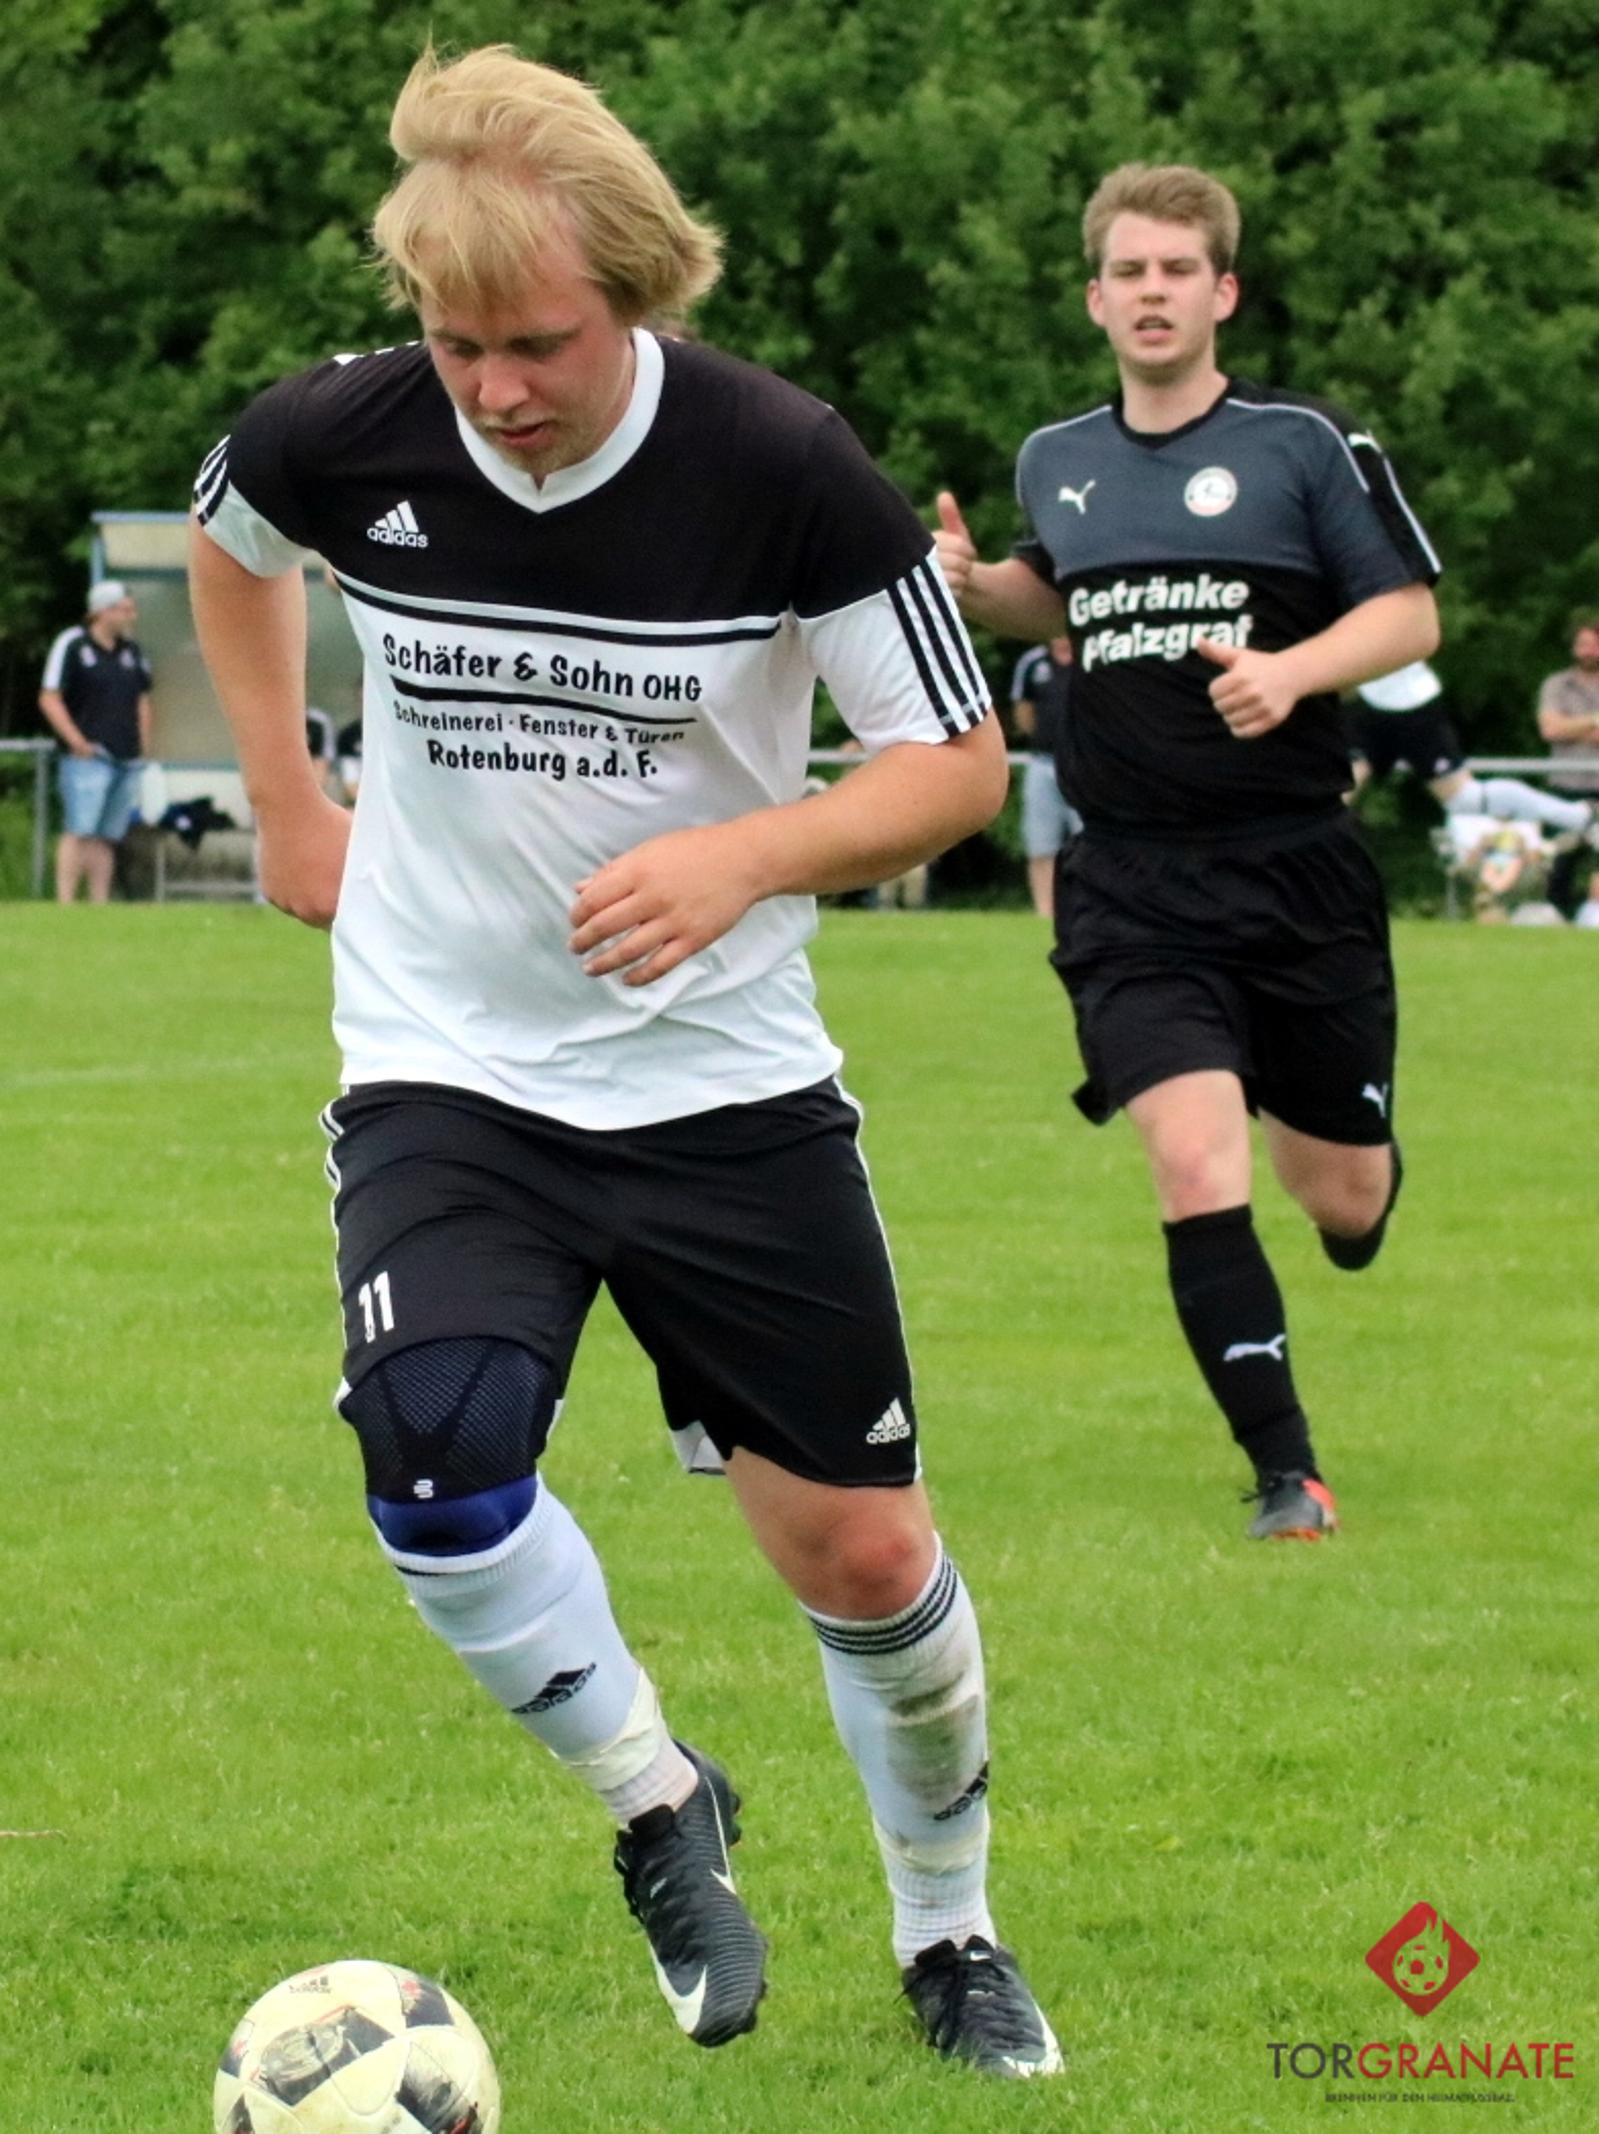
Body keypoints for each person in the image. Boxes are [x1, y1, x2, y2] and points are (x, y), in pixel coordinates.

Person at [188, 44, 1059, 2079]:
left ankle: (948, 1928)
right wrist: (288, 797)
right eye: (458, 344)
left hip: (719, 1085)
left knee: (865, 1554)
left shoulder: (780, 465)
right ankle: (661, 1802)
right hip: (447, 1062)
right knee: (433, 1447)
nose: (494, 389)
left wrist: (746, 851)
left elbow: (953, 760)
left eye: (540, 344)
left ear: (641, 292)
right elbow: (234, 547)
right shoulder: (341, 430)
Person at [936, 162, 1442, 1542]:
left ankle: (1351, 1181)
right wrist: (984, 589)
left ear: (1221, 291)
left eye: (1176, 271)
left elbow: (1406, 615)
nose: (1150, 292)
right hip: (1131, 882)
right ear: (1094, 298)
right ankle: (1287, 1471)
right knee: (1192, 1160)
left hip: (1296, 868)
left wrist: (1291, 672)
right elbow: (1057, 596)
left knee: (1340, 1193)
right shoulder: (1057, 458)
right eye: (1128, 272)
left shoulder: (1301, 444)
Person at [1351, 659, 1597, 843]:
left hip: (1405, 703)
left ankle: (1580, 816)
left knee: (1464, 798)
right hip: (1368, 703)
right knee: (1332, 797)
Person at [37, 580, 152, 903]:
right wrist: (77, 741)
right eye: (125, 610)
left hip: (126, 755)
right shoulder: (73, 644)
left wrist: (144, 745)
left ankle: (98, 905)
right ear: (103, 611)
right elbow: (49, 697)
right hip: (88, 756)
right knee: (80, 829)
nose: (132, 616)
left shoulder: (132, 651)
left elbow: (143, 698)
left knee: (107, 835)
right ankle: (66, 902)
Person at [1008, 636, 1081, 917]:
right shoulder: (1032, 662)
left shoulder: (1091, 655)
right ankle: (1044, 912)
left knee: (1090, 844)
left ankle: (1082, 907)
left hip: (1084, 765)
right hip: (1042, 762)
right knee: (1041, 846)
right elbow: (1023, 713)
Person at [1536, 619, 1599, 914]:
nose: (1588, 650)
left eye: (1594, 644)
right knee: (1558, 863)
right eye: (1583, 644)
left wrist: (1570, 727)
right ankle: (1556, 916)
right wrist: (1594, 720)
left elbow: (1561, 727)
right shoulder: (1556, 685)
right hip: (1565, 787)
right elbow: (1550, 730)